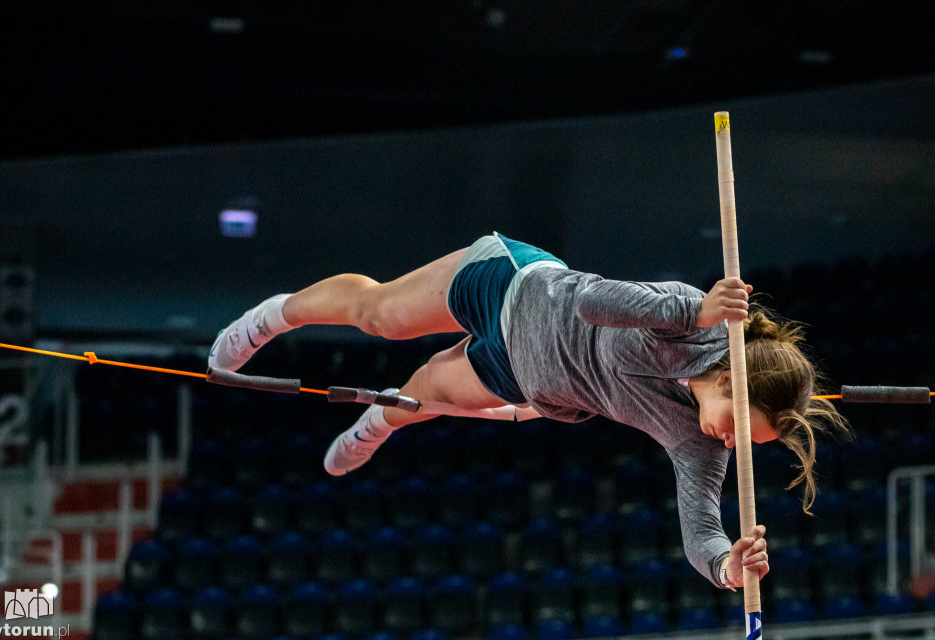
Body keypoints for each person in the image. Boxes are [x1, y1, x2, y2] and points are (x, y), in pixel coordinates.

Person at [208, 232, 850, 590]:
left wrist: (724, 566)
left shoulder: (700, 443)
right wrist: (693, 310)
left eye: (746, 445)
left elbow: (701, 528)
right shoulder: (691, 318)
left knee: (418, 397)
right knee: (379, 318)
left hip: (523, 378)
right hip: (514, 288)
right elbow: (595, 302)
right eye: (740, 426)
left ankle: (376, 422)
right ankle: (274, 314)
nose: (730, 443)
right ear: (732, 376)